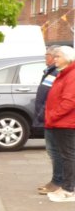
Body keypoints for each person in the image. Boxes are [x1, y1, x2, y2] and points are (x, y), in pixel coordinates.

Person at [44, 46, 75, 202]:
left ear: (68, 58)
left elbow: (69, 101)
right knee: (66, 156)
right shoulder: (64, 73)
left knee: (68, 156)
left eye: (58, 56)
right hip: (60, 121)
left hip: (66, 122)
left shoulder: (71, 75)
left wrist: (53, 116)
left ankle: (69, 189)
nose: (54, 58)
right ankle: (66, 186)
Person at [36, 47, 62, 195]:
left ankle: (59, 181)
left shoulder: (57, 72)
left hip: (53, 117)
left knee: (56, 151)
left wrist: (48, 113)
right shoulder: (50, 71)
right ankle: (56, 180)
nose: (46, 57)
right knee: (52, 151)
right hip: (48, 116)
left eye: (48, 55)